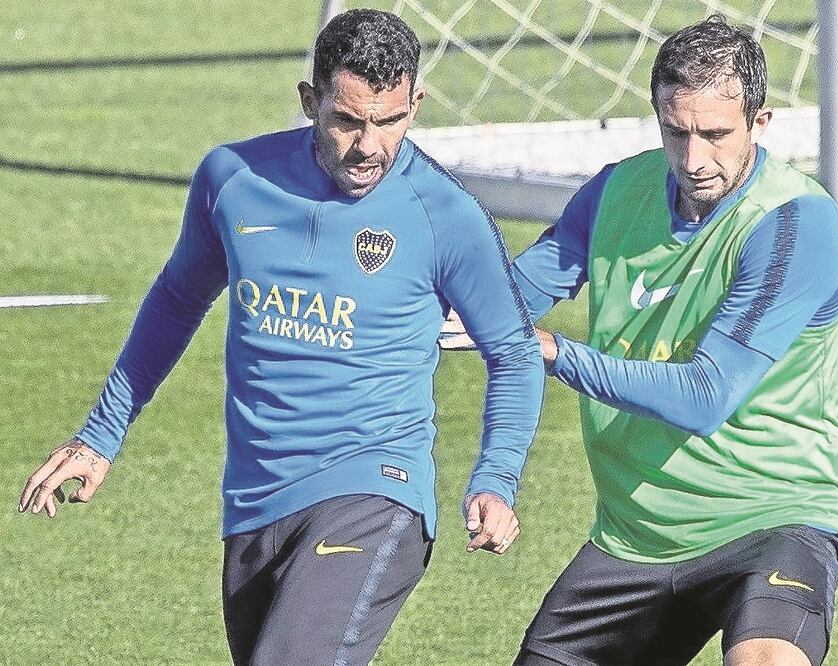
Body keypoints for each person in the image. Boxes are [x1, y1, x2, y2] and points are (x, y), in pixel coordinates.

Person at [17, 9, 543, 665]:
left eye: (390, 121)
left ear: (415, 105)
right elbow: (177, 299)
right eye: (348, 121)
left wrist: (496, 479)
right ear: (309, 101)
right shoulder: (234, 180)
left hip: (376, 490)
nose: (370, 146)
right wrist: (100, 435)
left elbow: (515, 353)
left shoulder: (445, 215)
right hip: (254, 503)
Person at [441, 14, 838, 666]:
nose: (693, 160)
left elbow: (705, 395)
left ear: (760, 122)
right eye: (676, 131)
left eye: (715, 135)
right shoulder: (617, 192)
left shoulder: (792, 224)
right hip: (637, 533)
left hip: (774, 514)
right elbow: (502, 307)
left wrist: (557, 354)